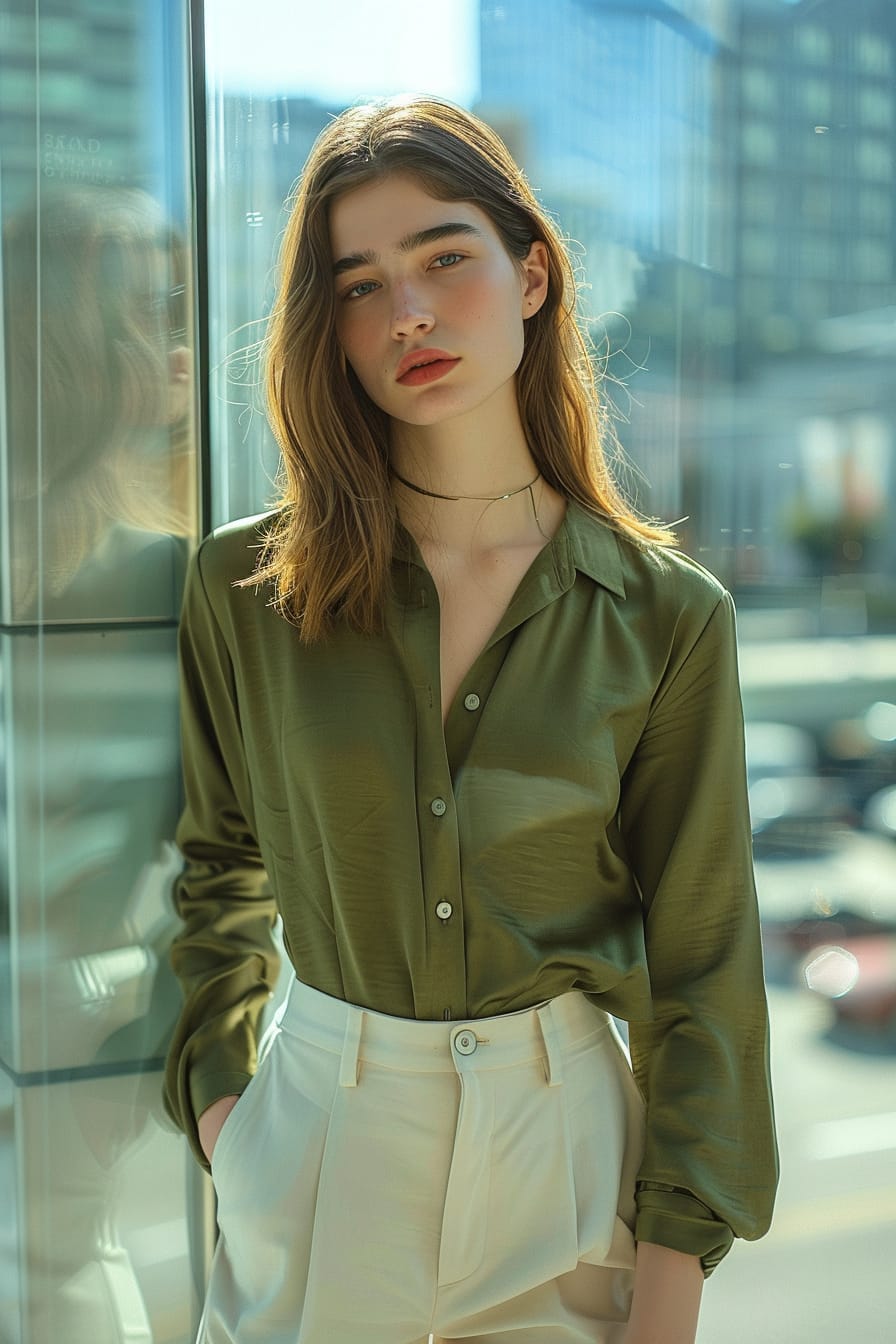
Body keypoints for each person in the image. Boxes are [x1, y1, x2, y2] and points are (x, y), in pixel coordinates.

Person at [163, 95, 778, 1344]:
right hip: (317, 1147)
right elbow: (215, 874)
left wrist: (668, 1289)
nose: (410, 314)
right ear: (324, 330)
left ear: (532, 273)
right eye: (358, 286)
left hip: (560, 1165)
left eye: (445, 257)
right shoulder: (247, 590)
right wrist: (235, 1124)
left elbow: (702, 970)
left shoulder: (664, 617)